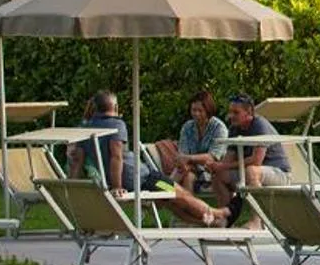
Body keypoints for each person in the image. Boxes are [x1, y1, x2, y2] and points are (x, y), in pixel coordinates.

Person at [71, 89, 228, 227]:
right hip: (143, 179)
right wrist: (117, 186)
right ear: (115, 107)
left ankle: (208, 222)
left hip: (126, 180)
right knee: (179, 193)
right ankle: (219, 213)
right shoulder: (116, 125)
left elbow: (77, 160)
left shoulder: (84, 128)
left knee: (171, 202)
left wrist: (72, 189)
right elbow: (116, 156)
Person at [208, 93, 292, 219]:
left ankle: (258, 222)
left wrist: (225, 166)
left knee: (251, 170)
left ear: (249, 113)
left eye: (236, 112)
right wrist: (217, 167)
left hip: (279, 174)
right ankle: (225, 219)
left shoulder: (260, 125)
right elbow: (228, 160)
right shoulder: (234, 128)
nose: (231, 116)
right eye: (230, 112)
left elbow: (256, 160)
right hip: (250, 172)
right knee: (218, 175)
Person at [152, 90, 228, 198]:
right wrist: (185, 161)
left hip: (212, 171)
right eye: (193, 110)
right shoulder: (187, 127)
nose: (196, 114)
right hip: (190, 169)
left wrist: (189, 159)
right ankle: (188, 209)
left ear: (208, 110)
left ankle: (162, 192)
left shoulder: (219, 128)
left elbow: (212, 157)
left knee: (185, 172)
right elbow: (183, 154)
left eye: (200, 110)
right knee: (187, 175)